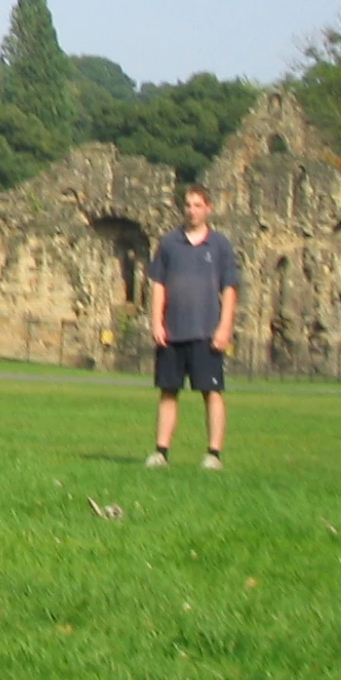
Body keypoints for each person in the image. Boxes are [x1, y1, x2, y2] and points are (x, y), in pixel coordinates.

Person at [145, 184, 239, 471]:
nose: (192, 210)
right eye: (188, 205)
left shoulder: (220, 245)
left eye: (198, 205)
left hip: (206, 332)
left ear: (208, 209)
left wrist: (224, 327)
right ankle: (161, 451)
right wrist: (156, 321)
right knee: (168, 390)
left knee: (211, 392)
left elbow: (230, 289)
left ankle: (214, 454)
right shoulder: (170, 242)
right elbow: (158, 284)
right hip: (173, 331)